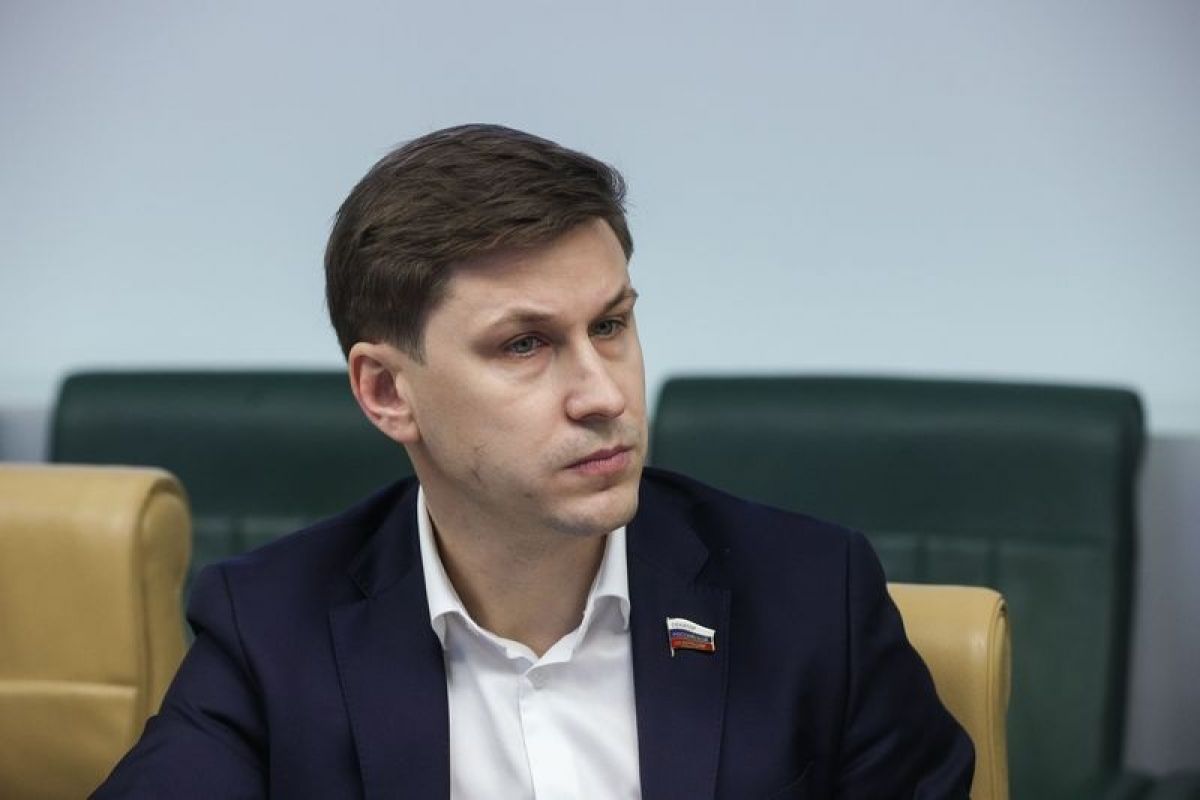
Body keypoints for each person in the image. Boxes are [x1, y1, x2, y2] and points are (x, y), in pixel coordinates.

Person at [94, 124, 973, 798]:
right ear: (388, 392)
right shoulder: (271, 629)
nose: (604, 393)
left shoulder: (813, 598)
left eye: (610, 325)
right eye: (525, 344)